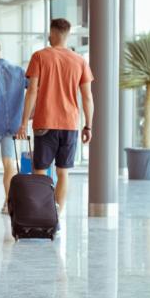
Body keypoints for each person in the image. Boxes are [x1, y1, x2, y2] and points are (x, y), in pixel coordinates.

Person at [17, 18, 93, 224]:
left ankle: (40, 216)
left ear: (53, 33)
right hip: (70, 124)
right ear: (67, 35)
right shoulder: (79, 61)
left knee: (40, 171)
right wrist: (88, 125)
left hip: (45, 122)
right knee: (63, 172)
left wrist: (23, 122)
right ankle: (56, 217)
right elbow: (87, 97)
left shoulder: (40, 56)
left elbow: (32, 90)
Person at [0, 38, 28, 213]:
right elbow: (33, 89)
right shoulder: (19, 71)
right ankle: (8, 204)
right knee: (9, 164)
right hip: (13, 127)